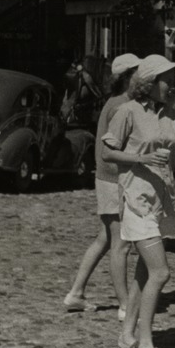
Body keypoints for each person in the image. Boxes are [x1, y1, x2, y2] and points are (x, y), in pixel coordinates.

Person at [102, 54, 175, 348]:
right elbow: (108, 151)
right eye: (167, 79)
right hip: (136, 202)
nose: (172, 85)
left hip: (160, 203)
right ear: (149, 83)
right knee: (161, 272)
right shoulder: (127, 112)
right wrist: (140, 160)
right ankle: (145, 346)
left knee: (144, 273)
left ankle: (127, 335)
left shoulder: (170, 116)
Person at [63, 53, 141, 318]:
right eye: (138, 73)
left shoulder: (119, 102)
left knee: (105, 239)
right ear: (128, 78)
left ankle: (76, 293)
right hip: (114, 181)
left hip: (107, 180)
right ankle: (124, 306)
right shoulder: (121, 105)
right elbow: (117, 150)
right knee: (121, 244)